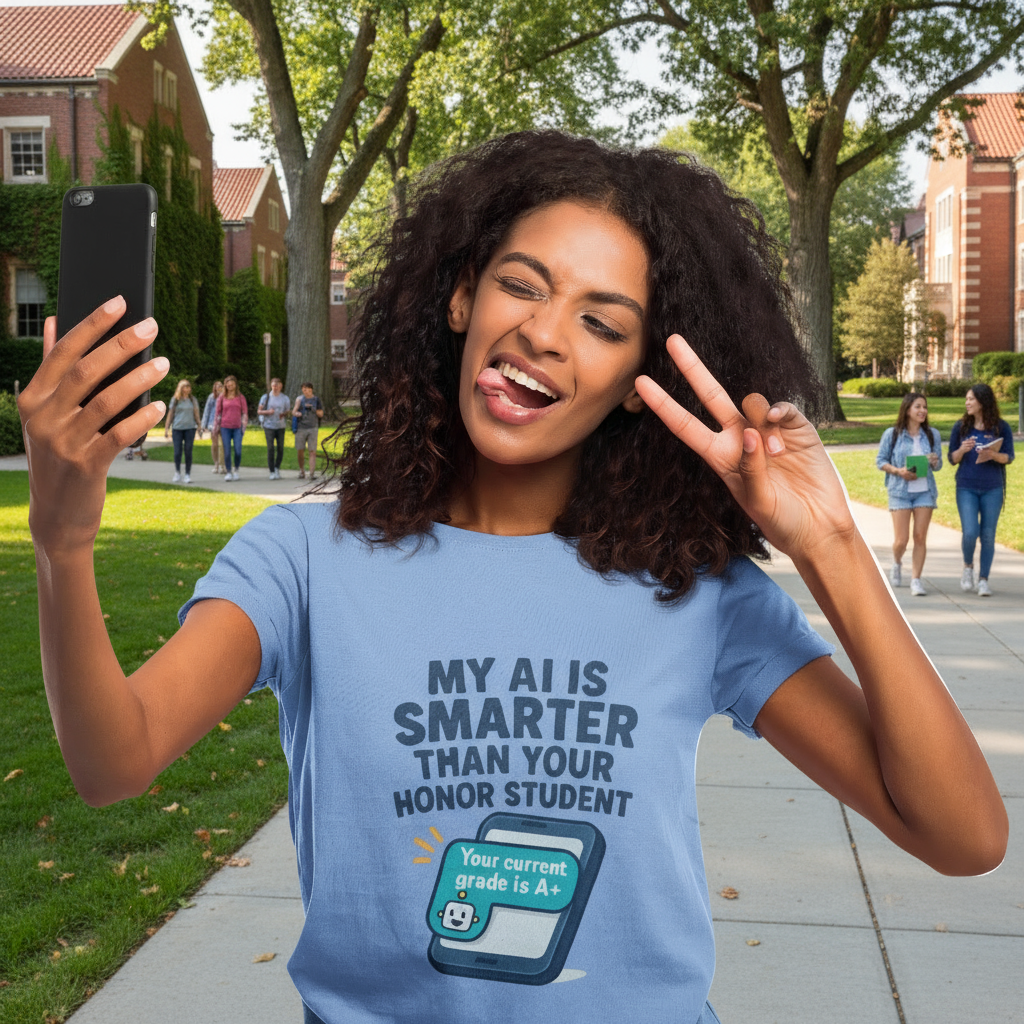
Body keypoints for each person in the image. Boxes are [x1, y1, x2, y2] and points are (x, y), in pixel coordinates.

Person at [16, 132, 1007, 1024]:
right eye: (523, 284)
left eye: (601, 323)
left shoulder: (691, 592)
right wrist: (62, 541)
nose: (543, 332)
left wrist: (829, 547)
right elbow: (117, 762)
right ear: (461, 296)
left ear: (636, 384)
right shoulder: (300, 561)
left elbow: (961, 834)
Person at [948, 383, 1015, 596]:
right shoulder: (961, 428)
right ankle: (968, 567)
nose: (967, 403)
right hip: (966, 486)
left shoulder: (1001, 428)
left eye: (971, 399)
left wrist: (992, 455)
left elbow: (1009, 457)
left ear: (982, 401)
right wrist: (962, 449)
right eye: (966, 399)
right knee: (970, 532)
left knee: (987, 535)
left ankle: (984, 579)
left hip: (992, 488)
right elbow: (951, 459)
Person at [876, 392, 942, 596]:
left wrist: (933, 461)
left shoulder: (932, 434)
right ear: (907, 410)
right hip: (900, 492)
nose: (923, 410)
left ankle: (916, 580)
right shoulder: (892, 434)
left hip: (925, 492)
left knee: (920, 537)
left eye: (925, 407)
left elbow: (938, 465)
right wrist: (898, 471)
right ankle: (896, 562)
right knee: (901, 541)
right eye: (918, 407)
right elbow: (881, 461)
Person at [162, 378, 202, 484]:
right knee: (177, 452)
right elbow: (170, 414)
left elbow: (196, 413)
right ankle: (177, 472)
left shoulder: (192, 400)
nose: (187, 389)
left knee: (188, 451)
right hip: (177, 428)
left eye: (188, 387)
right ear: (181, 388)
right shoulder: (175, 400)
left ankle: (187, 474)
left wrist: (199, 425)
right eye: (185, 387)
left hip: (190, 428)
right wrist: (166, 428)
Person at [215, 375, 248, 481]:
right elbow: (218, 413)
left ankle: (236, 469)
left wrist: (244, 425)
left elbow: (245, 413)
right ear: (225, 385)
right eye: (228, 384)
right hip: (225, 427)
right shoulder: (222, 397)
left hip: (237, 428)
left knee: (238, 450)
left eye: (232, 384)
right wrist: (216, 426)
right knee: (227, 450)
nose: (230, 386)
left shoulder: (240, 397)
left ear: (235, 385)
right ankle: (228, 471)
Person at [258, 378, 291, 480]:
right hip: (269, 426)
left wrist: (284, 414)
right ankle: (271, 471)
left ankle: (277, 468)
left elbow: (287, 411)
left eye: (277, 385)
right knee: (270, 448)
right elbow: (259, 411)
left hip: (280, 426)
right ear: (271, 386)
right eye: (273, 386)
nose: (275, 387)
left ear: (281, 386)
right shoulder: (266, 397)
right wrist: (267, 412)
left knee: (280, 448)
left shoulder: (285, 398)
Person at [292, 382, 323, 480]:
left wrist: (313, 409)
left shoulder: (316, 400)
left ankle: (312, 473)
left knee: (312, 451)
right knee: (300, 450)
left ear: (311, 389)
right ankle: (302, 471)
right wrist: (297, 413)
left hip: (313, 428)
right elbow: (294, 411)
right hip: (301, 428)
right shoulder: (299, 399)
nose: (306, 391)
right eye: (304, 389)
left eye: (308, 389)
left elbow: (321, 414)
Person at [202, 380, 225, 475]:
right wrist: (204, 425)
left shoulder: (226, 397)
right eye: (217, 386)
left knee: (223, 445)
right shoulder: (211, 397)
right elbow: (207, 411)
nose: (218, 388)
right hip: (213, 423)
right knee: (215, 445)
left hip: (224, 423)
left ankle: (222, 465)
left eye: (220, 386)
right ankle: (216, 464)